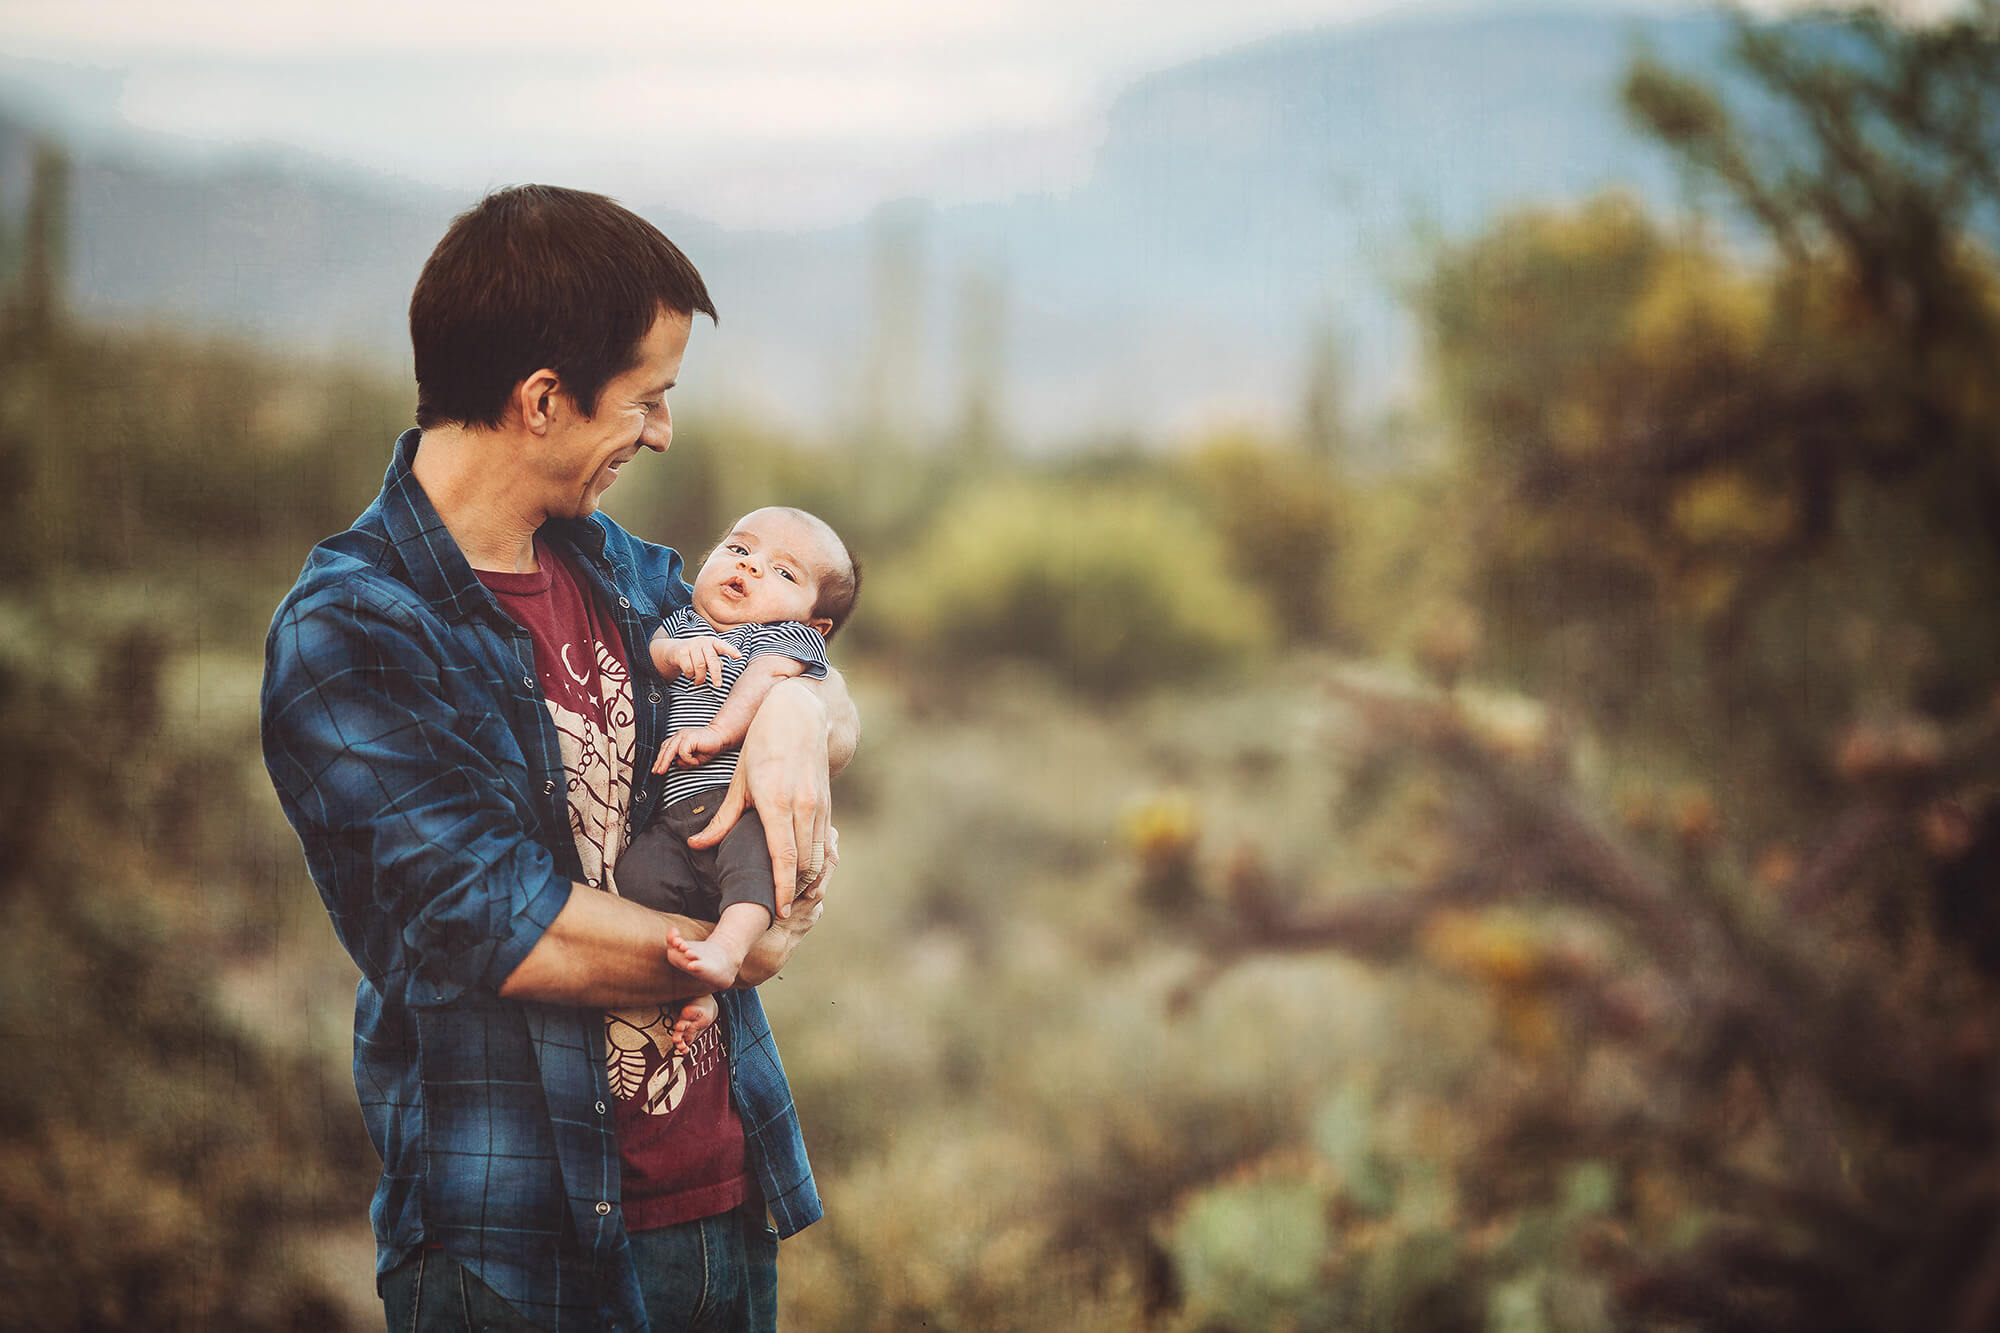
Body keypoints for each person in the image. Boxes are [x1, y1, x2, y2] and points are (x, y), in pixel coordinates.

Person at [260, 184, 858, 1333]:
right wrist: (740, 950)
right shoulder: (355, 628)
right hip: (514, 1249)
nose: (663, 432)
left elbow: (810, 671)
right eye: (648, 398)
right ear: (543, 400)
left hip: (720, 1208)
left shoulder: (621, 572)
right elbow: (500, 925)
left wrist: (791, 708)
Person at [617, 507, 860, 1050]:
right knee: (641, 879)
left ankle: (728, 953)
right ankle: (699, 986)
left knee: (754, 873)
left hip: (743, 807)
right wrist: (676, 652)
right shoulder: (684, 623)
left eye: (783, 572)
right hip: (674, 818)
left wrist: (722, 732)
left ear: (813, 621)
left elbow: (767, 675)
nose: (749, 569)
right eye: (740, 550)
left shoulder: (789, 643)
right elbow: (653, 655)